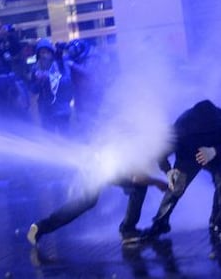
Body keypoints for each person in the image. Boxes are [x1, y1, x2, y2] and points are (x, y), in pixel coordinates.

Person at [142, 100, 221, 240]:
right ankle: (160, 223)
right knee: (176, 185)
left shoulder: (219, 119)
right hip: (188, 157)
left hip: (214, 155)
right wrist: (168, 171)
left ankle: (217, 223)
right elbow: (161, 152)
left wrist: (214, 150)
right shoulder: (181, 127)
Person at [27, 173, 167, 246]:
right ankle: (128, 231)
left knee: (87, 201)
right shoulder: (145, 145)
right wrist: (157, 182)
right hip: (106, 166)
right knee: (140, 185)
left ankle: (41, 227)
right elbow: (137, 178)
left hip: (97, 162)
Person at [30, 38, 73, 135]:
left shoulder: (60, 64)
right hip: (46, 111)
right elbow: (33, 90)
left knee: (66, 137)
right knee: (49, 138)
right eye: (42, 53)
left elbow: (67, 82)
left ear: (51, 53)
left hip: (61, 108)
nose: (45, 56)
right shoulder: (35, 68)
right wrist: (38, 81)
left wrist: (49, 77)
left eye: (47, 52)